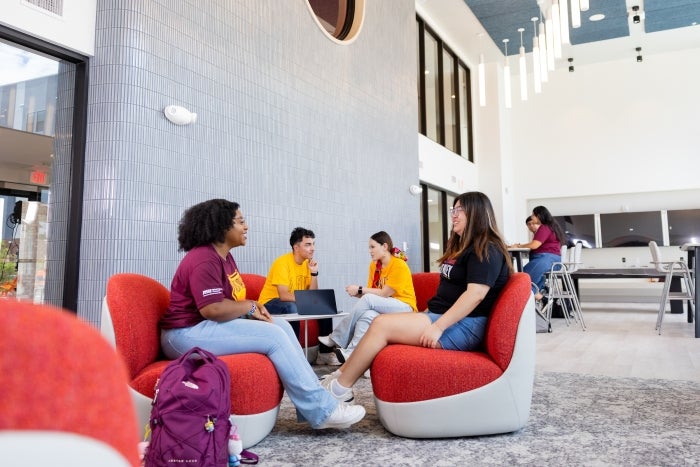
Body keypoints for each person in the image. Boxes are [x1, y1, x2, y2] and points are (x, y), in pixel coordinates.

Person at [159, 199, 365, 429]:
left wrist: (251, 309)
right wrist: (250, 306)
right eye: (241, 221)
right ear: (220, 226)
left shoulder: (224, 257)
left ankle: (316, 403)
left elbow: (227, 303)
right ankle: (322, 410)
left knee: (282, 326)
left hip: (205, 326)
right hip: (184, 333)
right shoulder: (204, 258)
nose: (246, 227)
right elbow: (212, 308)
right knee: (273, 336)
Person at [319, 192, 512, 403]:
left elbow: (475, 295)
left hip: (464, 325)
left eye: (459, 210)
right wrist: (430, 315)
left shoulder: (487, 249)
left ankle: (340, 390)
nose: (454, 215)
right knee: (377, 321)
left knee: (381, 325)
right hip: (440, 316)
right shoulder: (464, 247)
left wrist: (437, 327)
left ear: (477, 214)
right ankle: (339, 376)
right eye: (453, 210)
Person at [318, 231, 417, 363]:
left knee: (367, 300)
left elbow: (383, 294)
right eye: (369, 248)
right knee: (368, 315)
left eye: (372, 247)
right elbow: (372, 294)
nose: (370, 251)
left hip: (405, 307)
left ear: (385, 247)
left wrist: (360, 289)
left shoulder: (399, 265)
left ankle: (336, 337)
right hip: (387, 305)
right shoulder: (374, 266)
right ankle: (350, 353)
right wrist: (357, 293)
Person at [257, 227, 339, 365]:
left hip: (295, 301)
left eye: (313, 244)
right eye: (308, 244)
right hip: (270, 304)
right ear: (296, 247)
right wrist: (308, 301)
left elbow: (313, 294)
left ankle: (325, 353)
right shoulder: (282, 263)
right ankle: (293, 354)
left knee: (324, 307)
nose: (312, 248)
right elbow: (283, 295)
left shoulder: (307, 264)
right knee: (291, 306)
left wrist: (314, 273)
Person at [513, 206, 565, 300]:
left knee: (520, 279)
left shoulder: (544, 227)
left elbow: (534, 245)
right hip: (551, 260)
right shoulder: (551, 227)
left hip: (546, 260)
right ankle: (541, 299)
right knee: (526, 282)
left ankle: (538, 298)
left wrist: (519, 246)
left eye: (533, 215)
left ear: (539, 215)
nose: (532, 217)